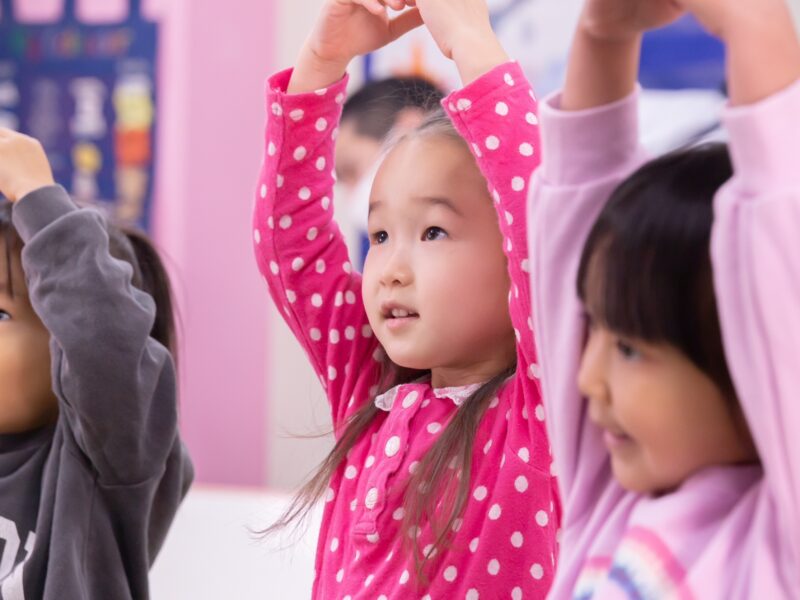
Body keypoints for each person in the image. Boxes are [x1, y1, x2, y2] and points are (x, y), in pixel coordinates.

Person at [253, 0, 558, 596]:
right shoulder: (372, 385)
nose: (389, 268)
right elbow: (292, 247)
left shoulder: (538, 414)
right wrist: (322, 61)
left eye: (434, 232)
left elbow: (540, 219)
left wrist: (469, 36)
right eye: (381, 235)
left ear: (513, 260)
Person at [528, 0, 800, 596]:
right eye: (593, 327)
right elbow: (578, 200)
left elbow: (781, 222)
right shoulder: (611, 498)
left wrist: (755, 24)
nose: (584, 378)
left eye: (628, 347)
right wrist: (602, 35)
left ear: (750, 361)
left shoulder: (777, 545)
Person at [0, 129, 192, 599]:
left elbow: (106, 345)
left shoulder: (101, 461)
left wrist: (34, 193)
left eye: (0, 313)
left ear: (66, 348)